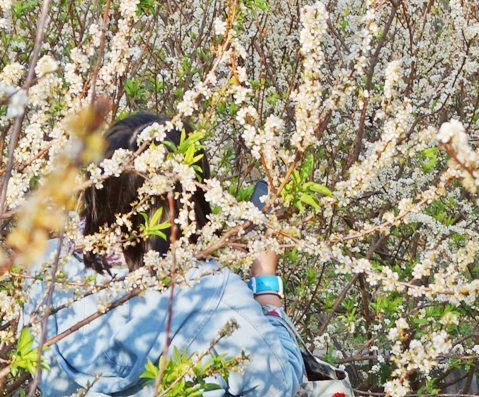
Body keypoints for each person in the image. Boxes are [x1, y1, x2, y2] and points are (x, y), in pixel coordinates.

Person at [21, 113, 303, 396]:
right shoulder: (216, 296)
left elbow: (35, 362)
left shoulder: (43, 264)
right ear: (192, 197)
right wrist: (265, 284)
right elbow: (281, 385)